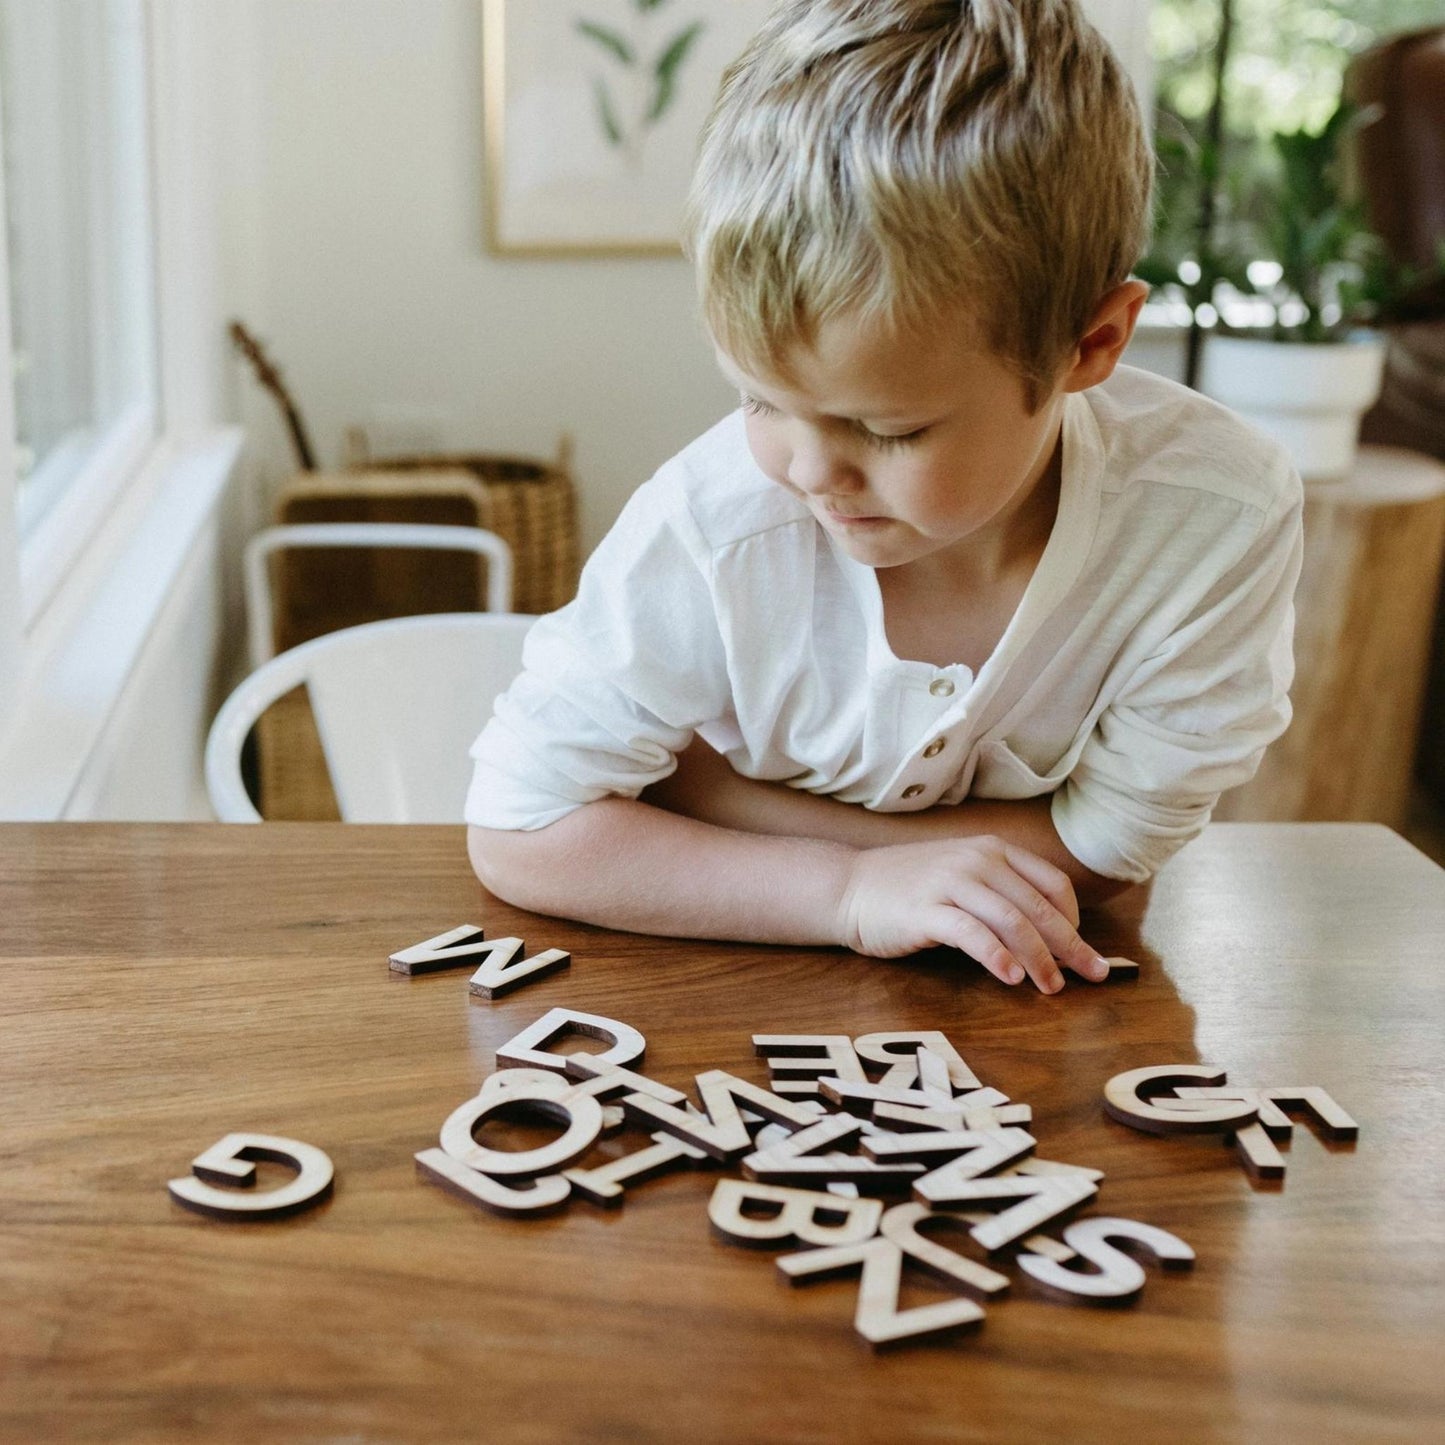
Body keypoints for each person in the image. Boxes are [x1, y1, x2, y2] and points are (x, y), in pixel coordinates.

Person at [465, 0, 1303, 994]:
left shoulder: (1214, 516)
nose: (810, 471)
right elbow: (521, 822)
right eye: (759, 401)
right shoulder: (710, 522)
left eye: (889, 429)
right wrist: (849, 886)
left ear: (1089, 345)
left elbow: (1109, 855)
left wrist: (709, 792)